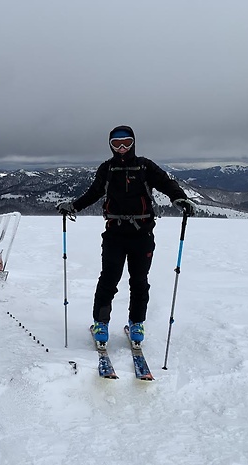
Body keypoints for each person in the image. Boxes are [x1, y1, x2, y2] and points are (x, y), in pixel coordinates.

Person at [56, 125, 195, 346]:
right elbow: (94, 192)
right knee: (109, 279)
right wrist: (74, 206)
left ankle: (136, 324)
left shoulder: (145, 166)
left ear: (134, 143)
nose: (122, 148)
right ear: (110, 145)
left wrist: (179, 198)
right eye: (116, 144)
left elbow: (167, 183)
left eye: (127, 143)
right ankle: (102, 324)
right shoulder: (107, 169)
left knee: (139, 281)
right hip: (114, 234)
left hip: (142, 233)